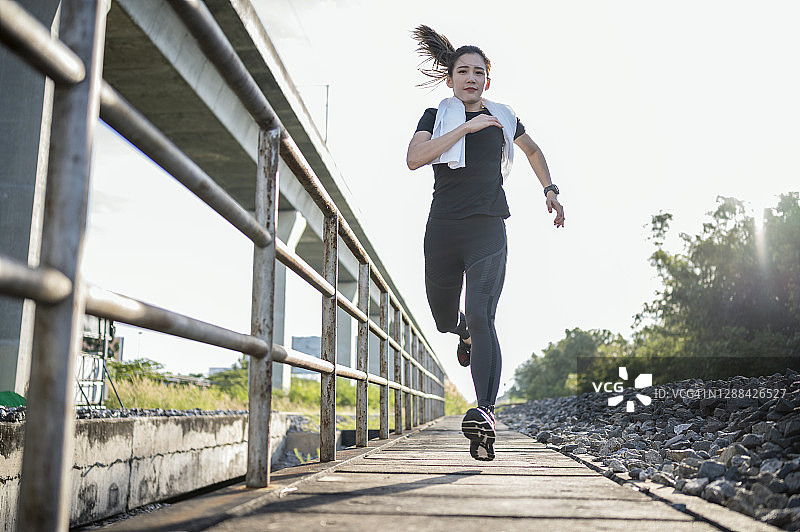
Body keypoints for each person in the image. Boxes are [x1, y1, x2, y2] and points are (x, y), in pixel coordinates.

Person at [406, 25, 565, 461]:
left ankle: (485, 413)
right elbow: (415, 159)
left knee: (481, 313)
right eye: (463, 71)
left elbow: (532, 151)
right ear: (451, 78)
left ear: (487, 81)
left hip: (488, 229)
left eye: (479, 72)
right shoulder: (434, 117)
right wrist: (467, 127)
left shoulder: (504, 116)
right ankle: (461, 335)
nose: (471, 78)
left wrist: (550, 190)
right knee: (445, 318)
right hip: (442, 229)